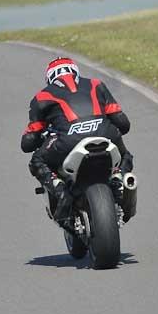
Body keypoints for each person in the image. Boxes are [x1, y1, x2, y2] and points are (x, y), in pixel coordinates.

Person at [21, 57, 133, 225]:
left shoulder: (42, 97)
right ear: (75, 72)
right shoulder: (97, 84)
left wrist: (38, 137)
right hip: (106, 135)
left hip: (67, 141)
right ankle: (119, 178)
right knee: (126, 155)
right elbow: (123, 124)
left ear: (50, 78)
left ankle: (60, 191)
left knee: (37, 160)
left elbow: (28, 142)